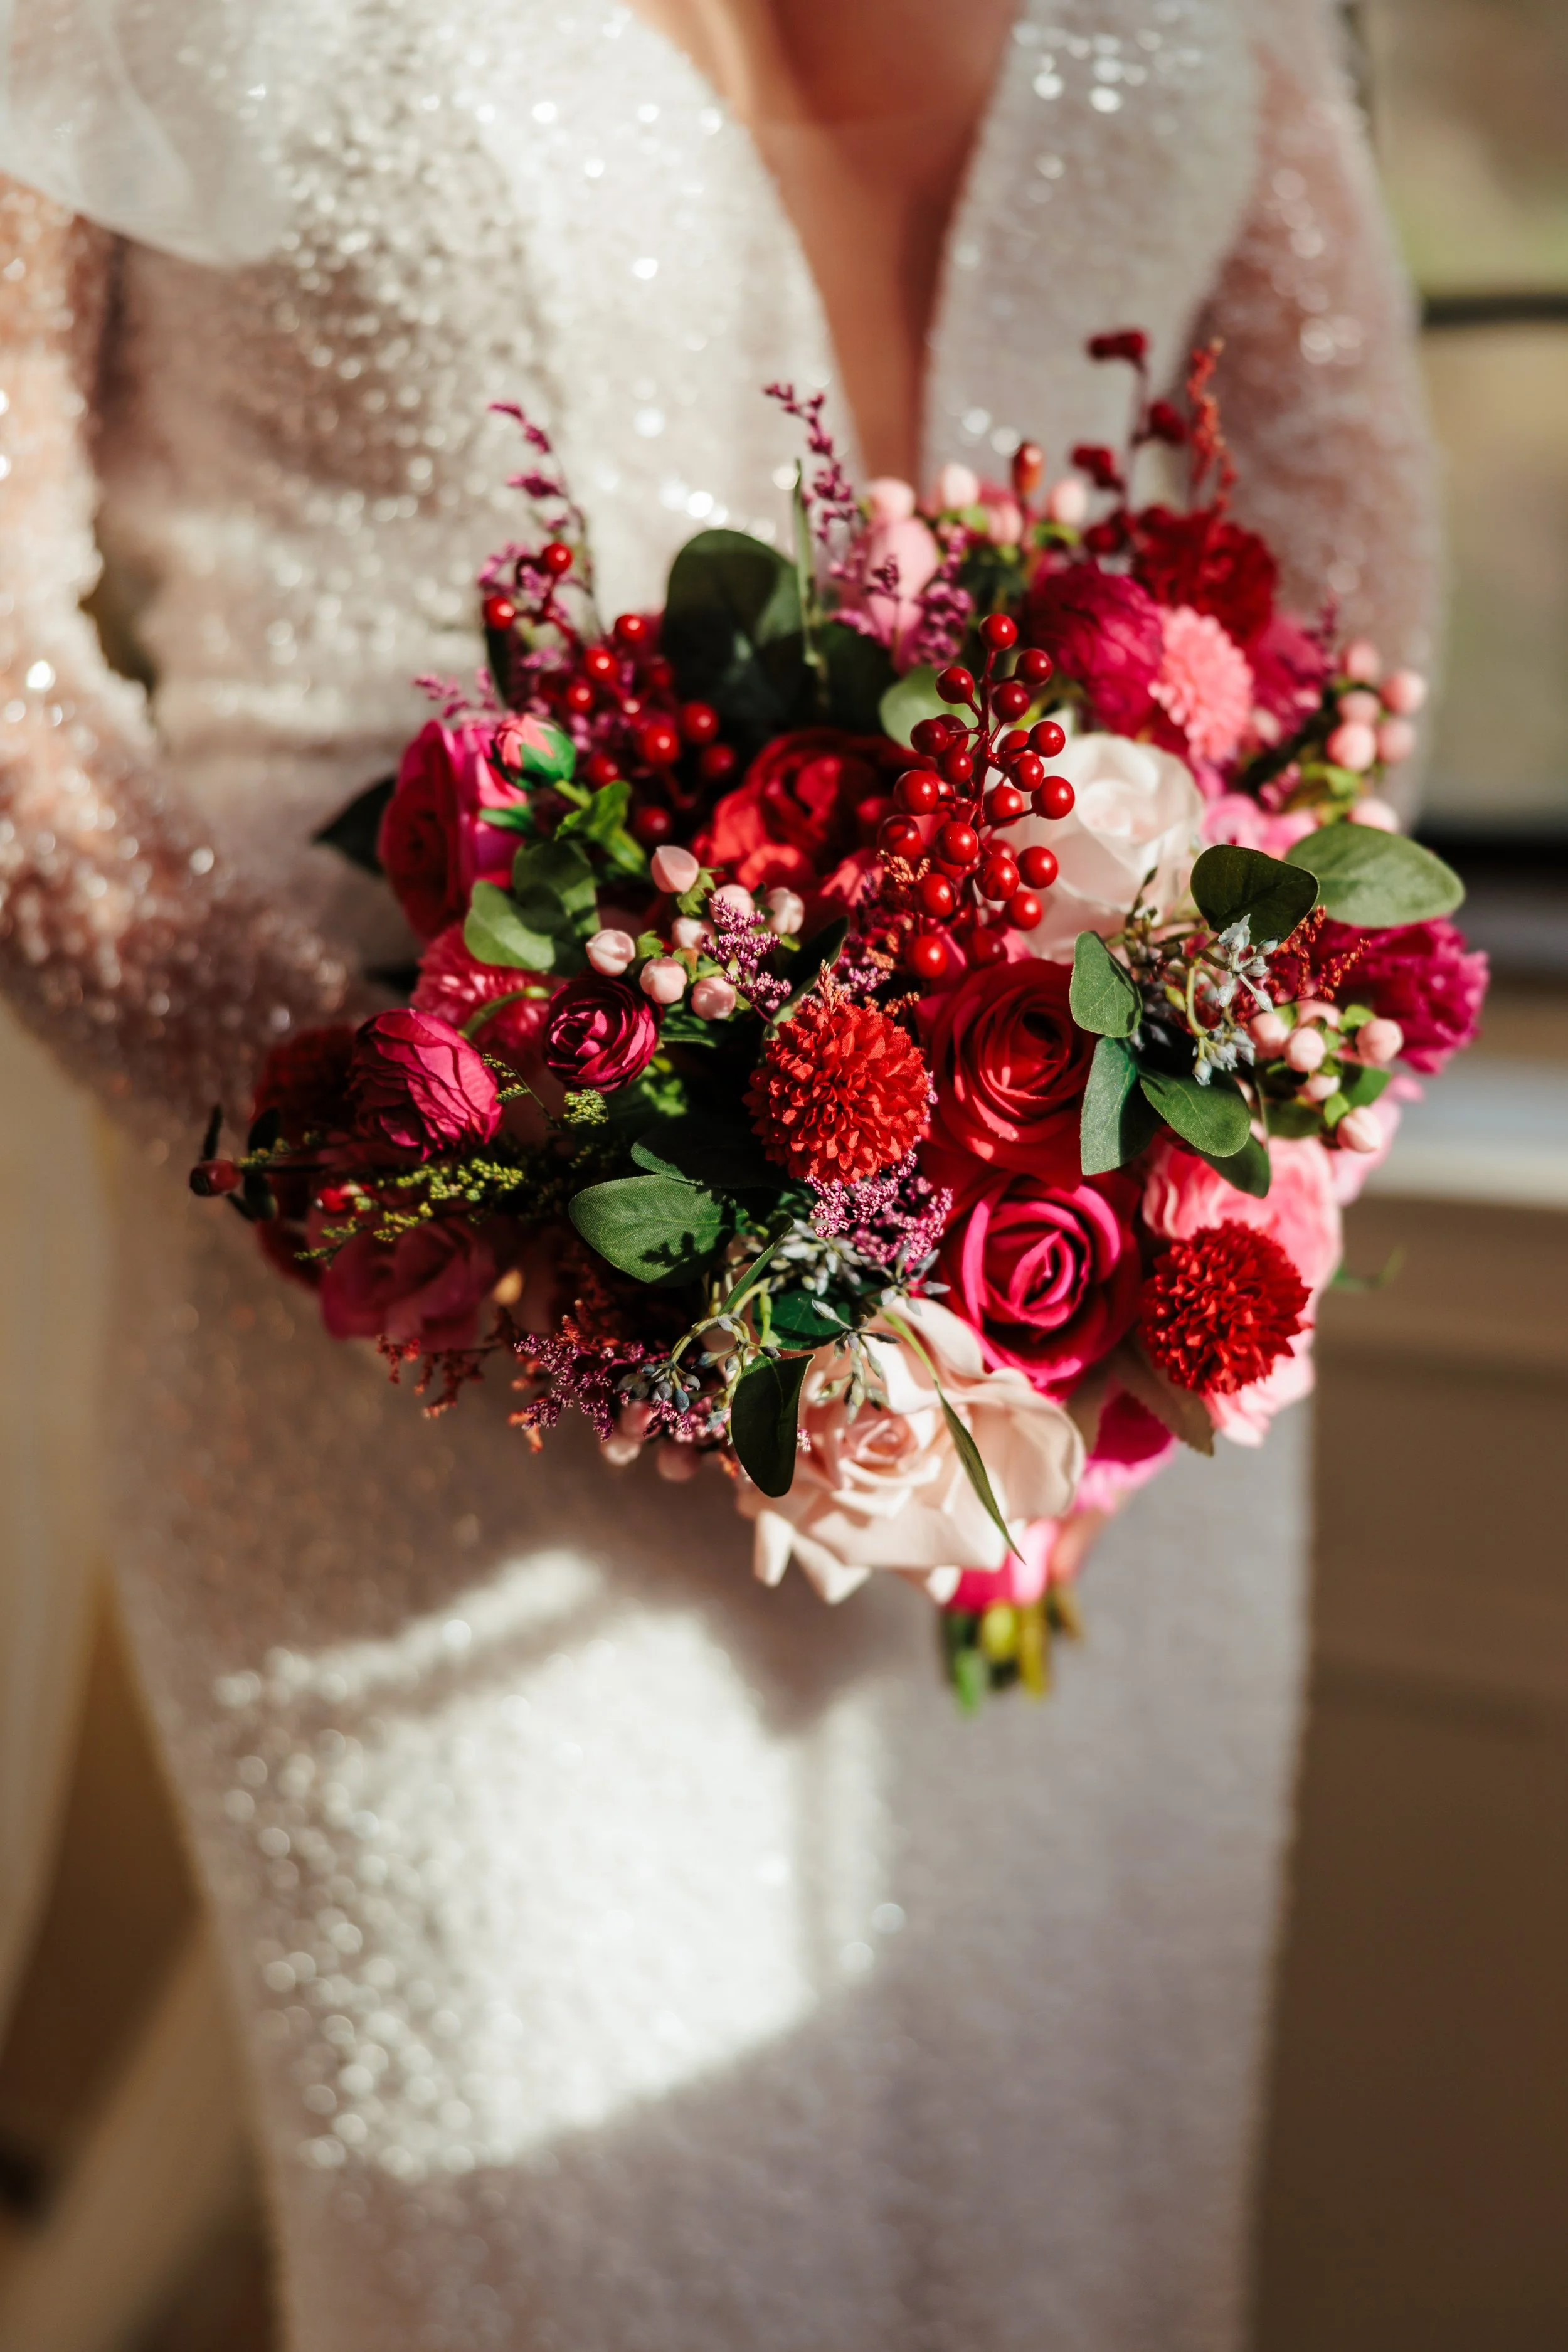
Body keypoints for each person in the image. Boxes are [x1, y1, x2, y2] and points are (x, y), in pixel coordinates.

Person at [0, 1, 1435, 2344]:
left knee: (1088, 2236)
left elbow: (1341, 530)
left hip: (1111, 1328)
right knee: (562, 2257)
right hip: (420, 1371)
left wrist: (1212, 1084)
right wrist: (426, 1162)